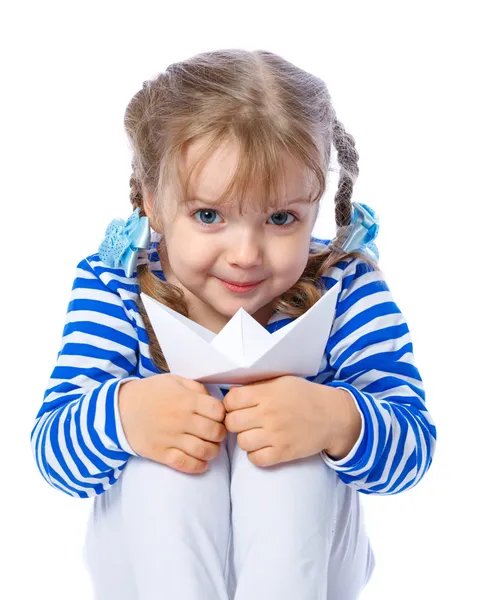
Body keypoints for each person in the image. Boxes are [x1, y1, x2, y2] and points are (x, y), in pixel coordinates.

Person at [29, 49, 437, 600]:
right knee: (167, 470)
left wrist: (337, 419)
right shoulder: (117, 283)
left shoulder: (347, 287)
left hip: (307, 568)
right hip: (149, 567)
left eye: (280, 218)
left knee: (290, 470)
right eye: (208, 215)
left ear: (316, 209)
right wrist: (126, 414)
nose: (245, 254)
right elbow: (54, 455)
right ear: (152, 201)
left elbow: (413, 450)